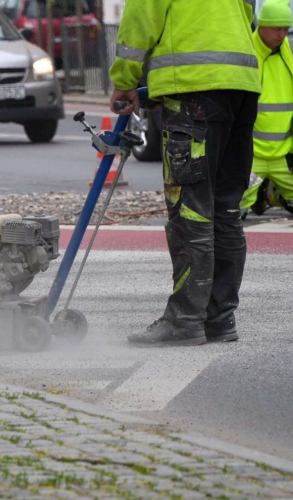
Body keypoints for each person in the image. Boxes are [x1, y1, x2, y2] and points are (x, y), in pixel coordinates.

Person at [109, 0, 261, 346]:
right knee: (225, 209)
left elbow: (140, 22)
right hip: (242, 85)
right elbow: (248, 12)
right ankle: (219, 319)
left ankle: (185, 320)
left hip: (195, 89)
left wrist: (125, 80)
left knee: (190, 208)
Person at [240, 0, 293, 218]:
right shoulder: (245, 52)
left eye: (286, 29)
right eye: (277, 29)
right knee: (232, 213)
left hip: (285, 152)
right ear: (262, 26)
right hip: (251, 153)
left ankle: (268, 193)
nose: (282, 35)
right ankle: (257, 192)